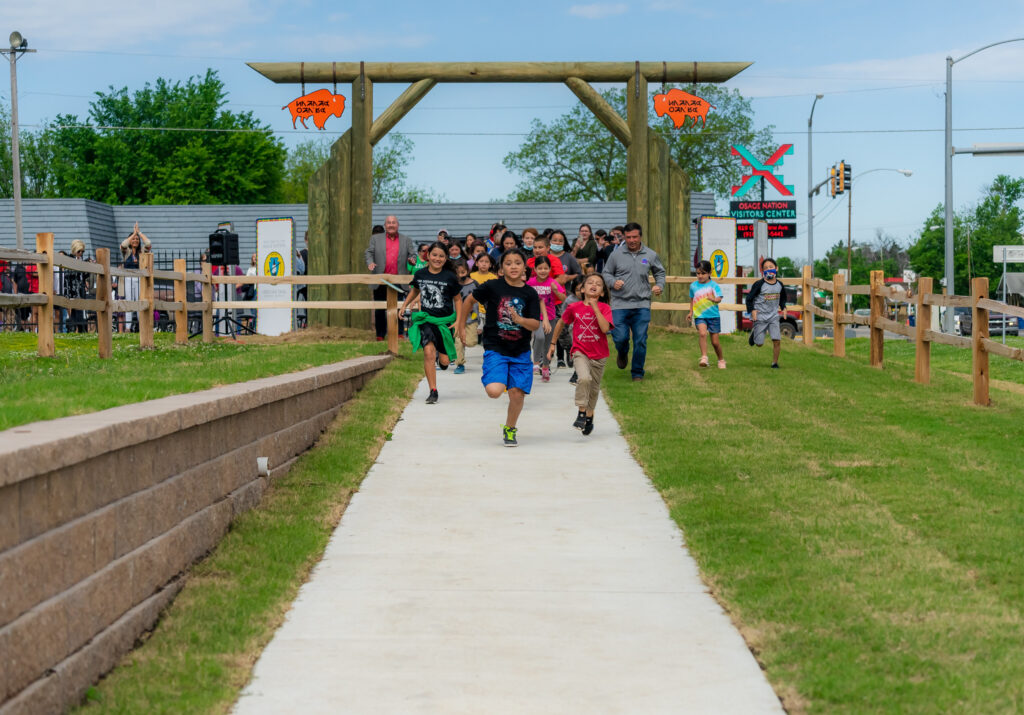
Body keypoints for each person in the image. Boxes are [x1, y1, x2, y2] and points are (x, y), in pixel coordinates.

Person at [456, 248, 541, 447]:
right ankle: (499, 377)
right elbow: (469, 300)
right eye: (509, 263)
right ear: (501, 268)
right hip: (496, 348)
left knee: (517, 394)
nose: (513, 266)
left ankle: (510, 429)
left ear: (524, 267)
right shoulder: (493, 286)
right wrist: (460, 324)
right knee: (495, 391)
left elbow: (535, 324)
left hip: (520, 351)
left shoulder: (530, 293)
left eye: (518, 263)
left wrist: (520, 319)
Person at [548, 273, 613, 436]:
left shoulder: (605, 308)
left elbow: (605, 329)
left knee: (593, 389)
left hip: (599, 354)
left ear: (602, 292)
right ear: (582, 289)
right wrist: (553, 343)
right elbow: (562, 322)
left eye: (598, 284)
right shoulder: (574, 308)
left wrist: (595, 307)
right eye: (590, 282)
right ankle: (581, 412)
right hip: (580, 351)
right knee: (584, 378)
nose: (594, 285)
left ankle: (589, 416)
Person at [602, 222, 666, 381]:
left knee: (640, 340)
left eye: (634, 237)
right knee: (620, 338)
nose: (631, 240)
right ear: (624, 237)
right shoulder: (616, 255)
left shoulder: (650, 255)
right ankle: (622, 352)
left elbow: (660, 272)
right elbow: (606, 273)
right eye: (628, 237)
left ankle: (637, 372)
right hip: (619, 305)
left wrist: (659, 285)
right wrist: (612, 282)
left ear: (640, 237)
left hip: (642, 304)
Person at [400, 242, 462, 404]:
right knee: (428, 352)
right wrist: (405, 305)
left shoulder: (449, 277)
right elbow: (415, 290)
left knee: (445, 361)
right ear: (428, 256)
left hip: (445, 322)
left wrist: (458, 321)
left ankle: (442, 359)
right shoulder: (420, 274)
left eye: (441, 256)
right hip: (427, 320)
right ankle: (433, 390)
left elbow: (458, 299)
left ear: (446, 258)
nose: (437, 258)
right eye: (434, 255)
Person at [365, 215, 416, 341]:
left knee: (398, 307)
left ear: (397, 225)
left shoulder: (406, 240)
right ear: (385, 226)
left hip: (398, 279)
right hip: (381, 279)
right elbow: (368, 252)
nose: (391, 225)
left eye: (394, 223)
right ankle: (380, 335)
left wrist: (412, 259)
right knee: (380, 308)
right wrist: (370, 262)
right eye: (389, 223)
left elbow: (413, 254)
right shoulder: (375, 239)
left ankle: (399, 333)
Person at [527, 255, 565, 382]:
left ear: (550, 269)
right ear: (535, 269)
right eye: (540, 268)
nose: (543, 271)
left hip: (551, 317)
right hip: (536, 317)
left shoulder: (553, 282)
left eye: (546, 268)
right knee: (539, 337)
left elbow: (564, 299)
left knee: (548, 344)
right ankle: (536, 362)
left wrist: (556, 291)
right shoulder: (531, 282)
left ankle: (546, 367)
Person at [745, 257, 787, 369]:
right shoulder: (759, 284)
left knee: (776, 340)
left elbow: (783, 298)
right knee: (759, 344)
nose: (769, 269)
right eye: (766, 268)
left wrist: (784, 307)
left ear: (776, 268)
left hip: (773, 316)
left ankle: (775, 363)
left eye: (771, 267)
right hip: (760, 316)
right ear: (762, 271)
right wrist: (752, 310)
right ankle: (755, 334)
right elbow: (749, 298)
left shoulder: (780, 285)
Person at [688, 260, 725, 369]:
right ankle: (704, 357)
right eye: (698, 273)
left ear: (709, 273)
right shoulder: (693, 286)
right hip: (700, 316)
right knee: (702, 334)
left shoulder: (714, 285)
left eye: (703, 273)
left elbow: (719, 299)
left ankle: (721, 359)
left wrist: (714, 299)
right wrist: (690, 312)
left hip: (714, 316)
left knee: (715, 342)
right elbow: (691, 299)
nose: (700, 276)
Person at [120, 221, 151, 333]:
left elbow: (148, 243)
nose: (135, 240)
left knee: (139, 301)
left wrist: (139, 233)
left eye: (137, 239)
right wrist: (133, 233)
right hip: (128, 278)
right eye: (133, 239)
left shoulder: (142, 251)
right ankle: (128, 328)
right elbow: (123, 244)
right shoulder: (127, 252)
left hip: (139, 278)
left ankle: (141, 326)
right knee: (129, 302)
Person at [451, 259, 477, 375]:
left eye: (463, 272)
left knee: (471, 342)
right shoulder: (453, 285)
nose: (460, 275)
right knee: (458, 342)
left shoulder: (475, 284)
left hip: (472, 318)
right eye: (457, 273)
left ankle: (463, 346)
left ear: (467, 271)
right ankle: (460, 363)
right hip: (457, 319)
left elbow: (482, 299)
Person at [64, 240, 93, 333]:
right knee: (76, 308)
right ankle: (79, 328)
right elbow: (69, 273)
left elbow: (84, 276)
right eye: (79, 251)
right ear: (74, 250)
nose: (81, 253)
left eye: (82, 251)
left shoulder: (80, 260)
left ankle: (77, 328)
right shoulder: (69, 258)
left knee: (78, 309)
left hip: (80, 288)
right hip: (72, 288)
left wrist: (87, 266)